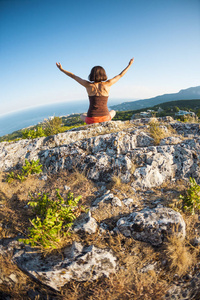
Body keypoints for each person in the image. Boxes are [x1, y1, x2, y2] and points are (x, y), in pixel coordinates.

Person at [56, 58, 134, 124]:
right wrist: (129, 65)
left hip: (91, 119)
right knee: (113, 111)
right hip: (105, 118)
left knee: (82, 115)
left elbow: (73, 76)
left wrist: (61, 69)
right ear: (103, 74)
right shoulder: (108, 84)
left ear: (91, 74)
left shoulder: (88, 85)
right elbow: (120, 75)